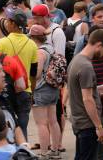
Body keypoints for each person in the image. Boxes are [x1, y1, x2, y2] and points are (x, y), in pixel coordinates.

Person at [67, 28, 103, 160]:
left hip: (79, 123)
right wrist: (99, 126)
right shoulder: (86, 66)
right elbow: (87, 99)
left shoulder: (76, 60)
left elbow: (76, 90)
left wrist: (95, 90)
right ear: (98, 45)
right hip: (87, 124)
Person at [0, 8, 38, 139]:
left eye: (8, 21)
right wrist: (32, 91)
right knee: (22, 127)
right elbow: (33, 72)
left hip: (6, 91)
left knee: (6, 127)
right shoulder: (32, 44)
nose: (6, 24)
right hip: (24, 91)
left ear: (13, 24)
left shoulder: (2, 43)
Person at [29, 24, 61, 159]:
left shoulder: (40, 52)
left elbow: (36, 74)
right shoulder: (51, 48)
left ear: (33, 37)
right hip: (53, 87)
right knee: (53, 121)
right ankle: (55, 150)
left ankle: (43, 153)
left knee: (41, 123)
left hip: (41, 89)